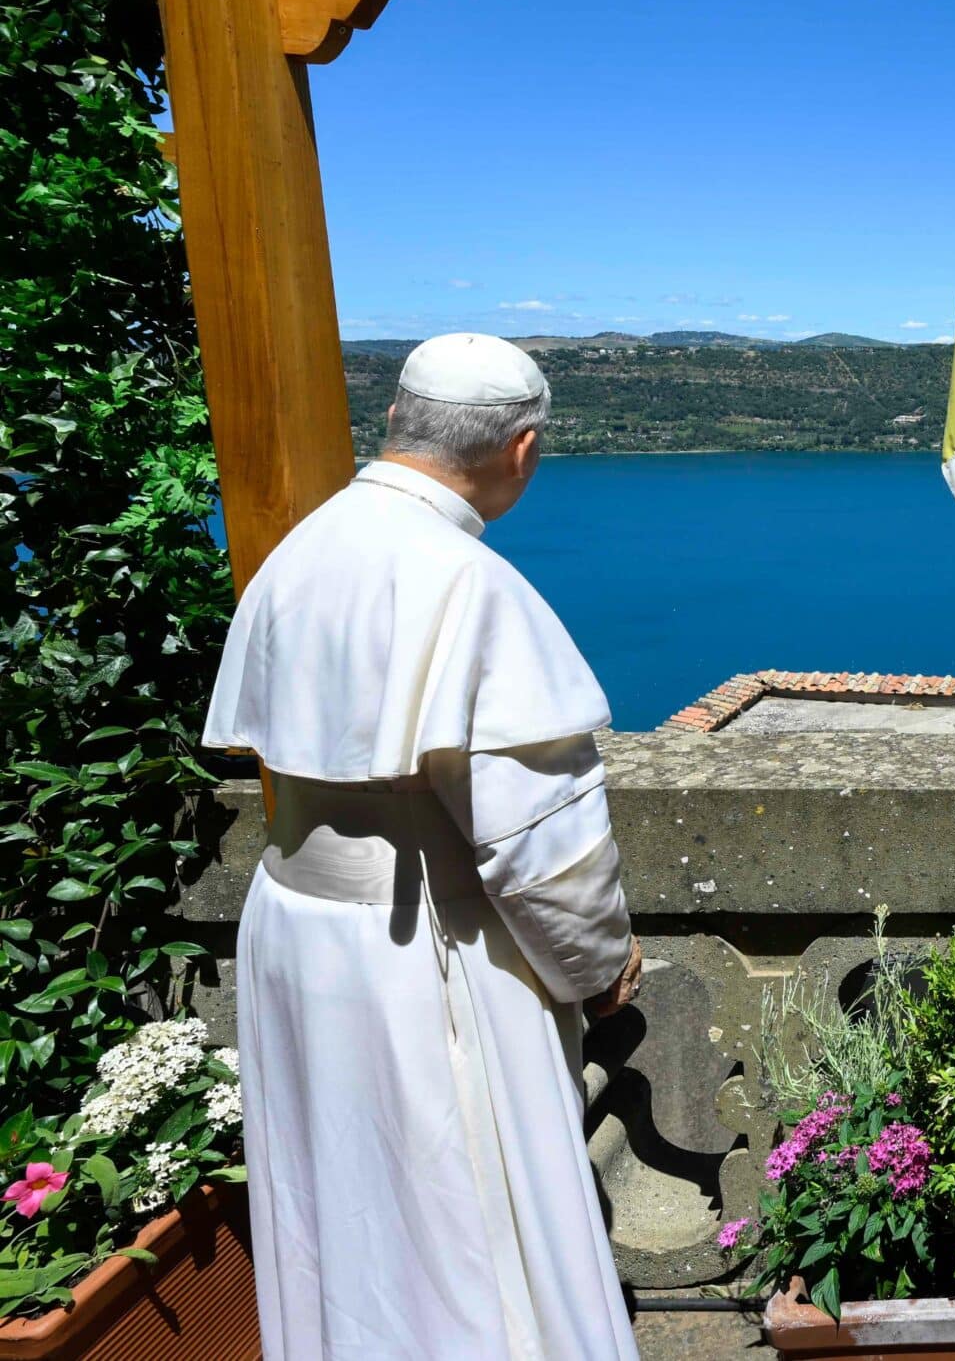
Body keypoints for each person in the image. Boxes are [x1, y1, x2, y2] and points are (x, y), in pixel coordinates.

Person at [204, 333, 643, 1360]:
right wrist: (596, 966)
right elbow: (542, 848)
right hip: (420, 950)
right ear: (522, 449)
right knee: (466, 1224)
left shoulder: (301, 549)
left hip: (293, 928)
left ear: (397, 420)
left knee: (341, 1211)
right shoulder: (469, 585)